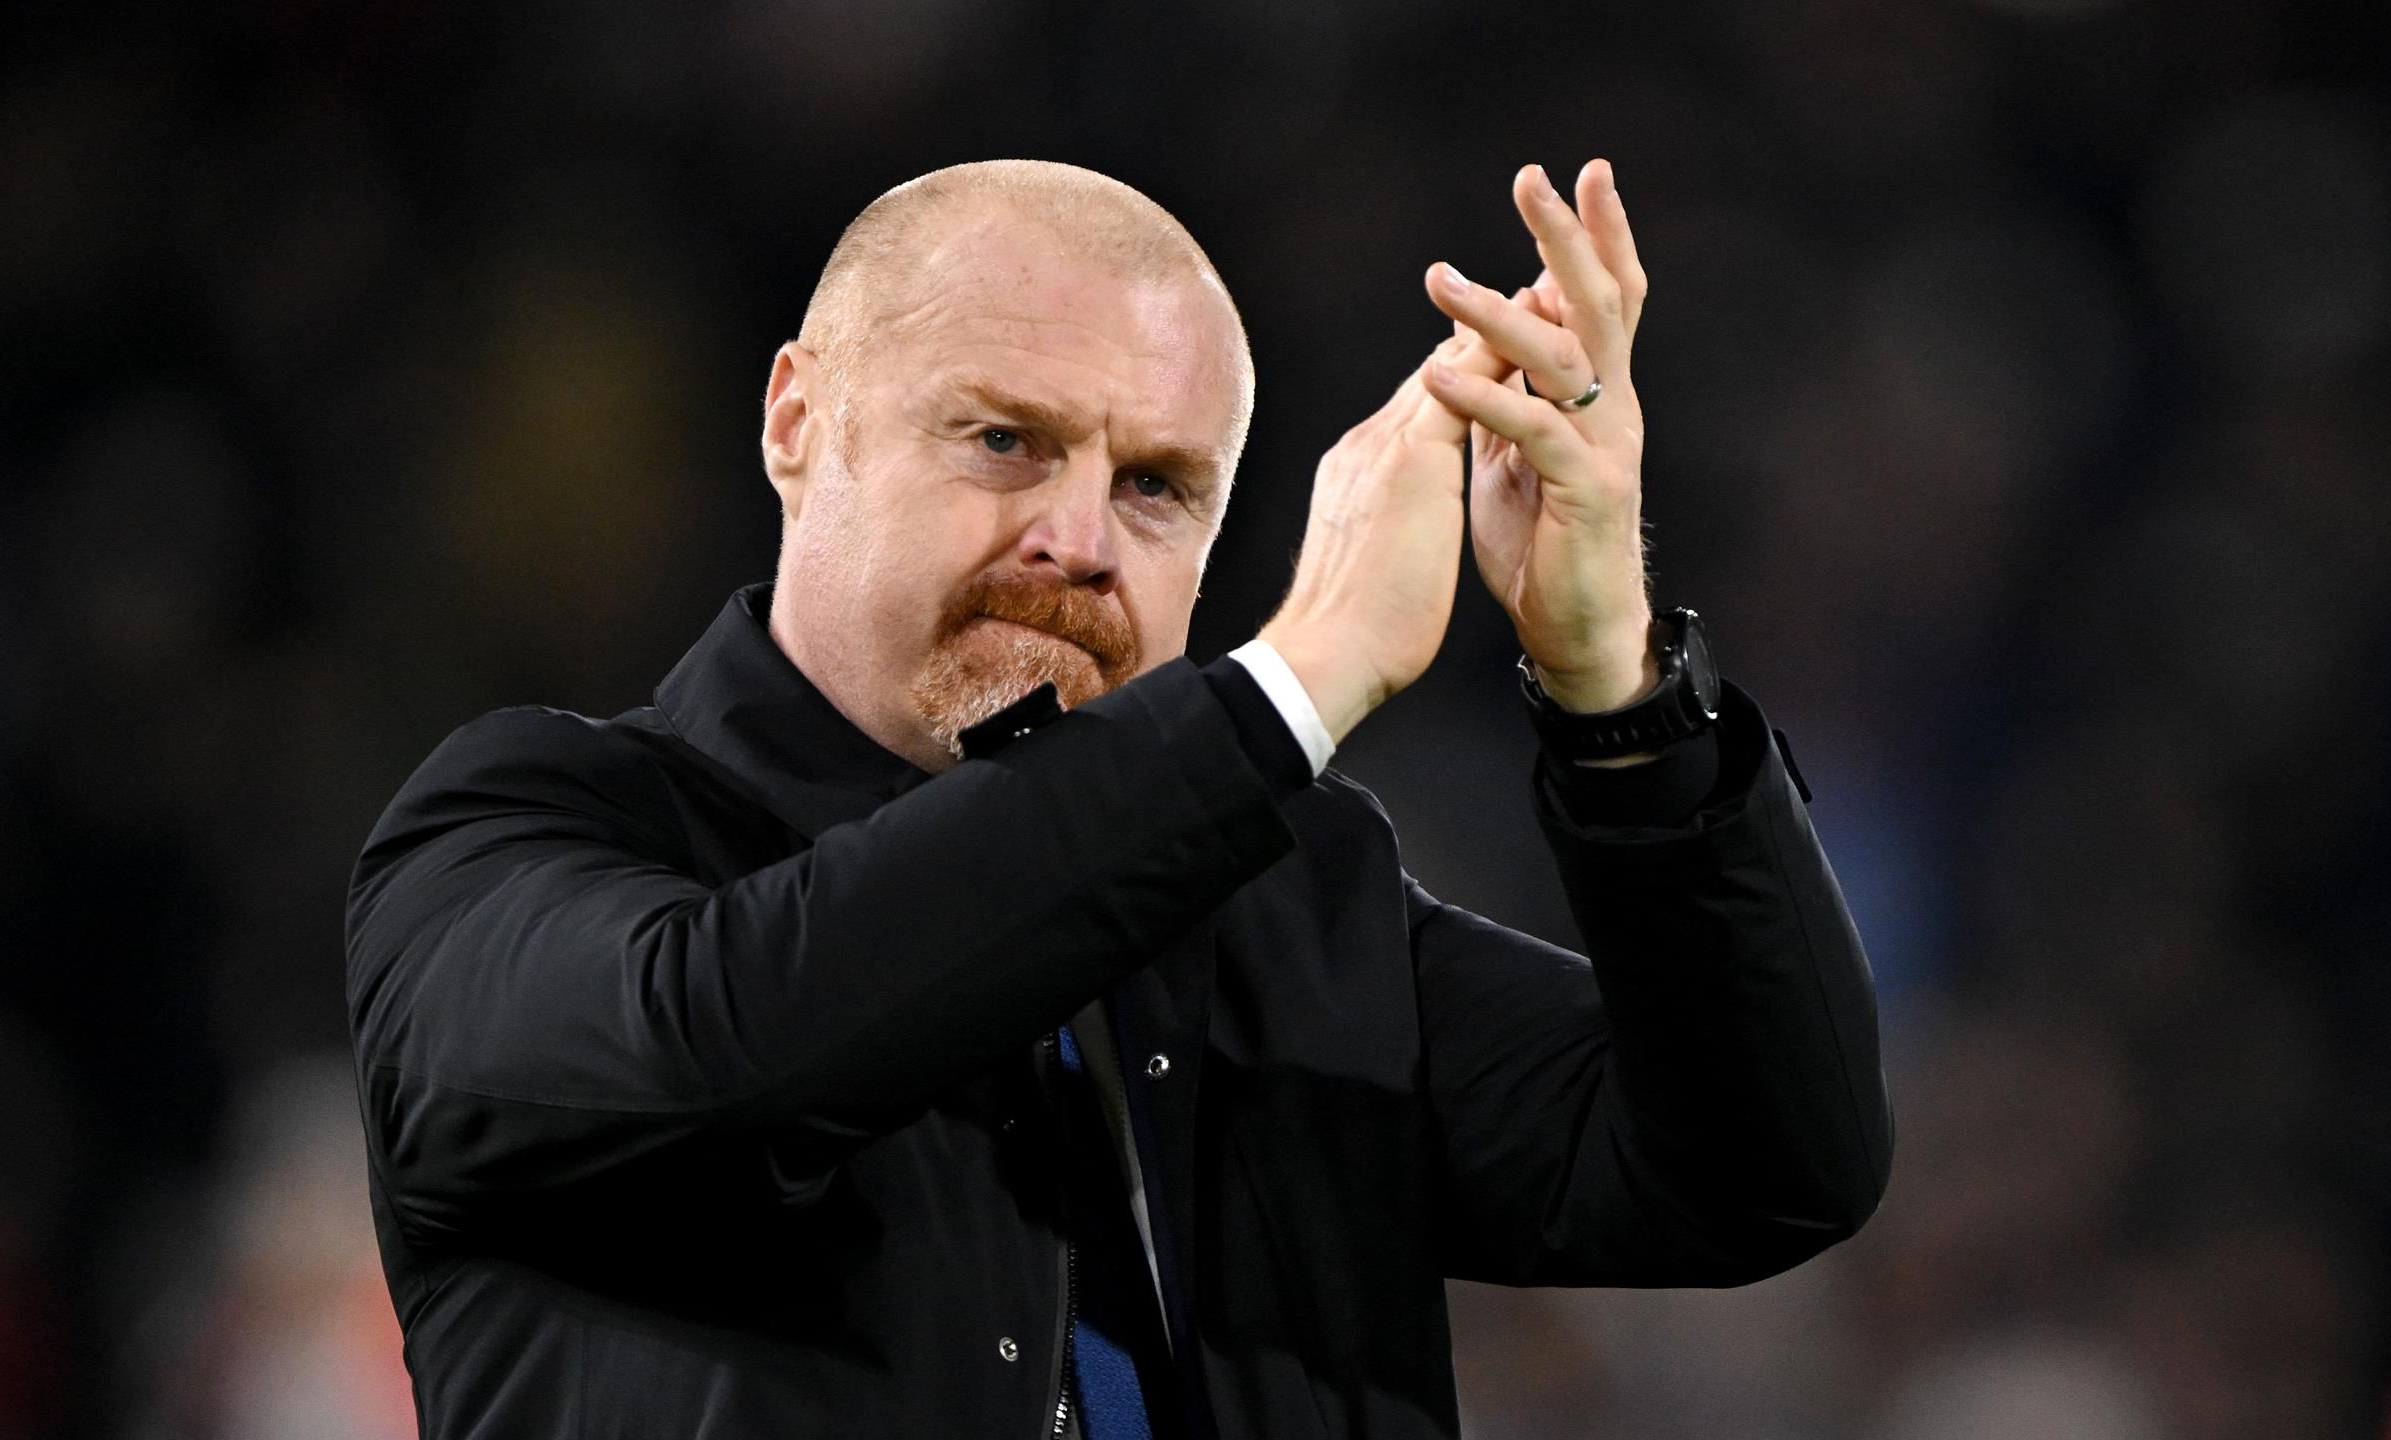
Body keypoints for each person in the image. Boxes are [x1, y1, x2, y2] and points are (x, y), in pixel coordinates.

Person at [345, 158, 1891, 1440]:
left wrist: (1617, 690)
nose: (1080, 541)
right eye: (1004, 441)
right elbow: (731, 1050)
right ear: (798, 422)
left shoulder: (1285, 910)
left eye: (1156, 485)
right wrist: (1296, 679)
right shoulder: (524, 826)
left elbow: (1770, 1167)